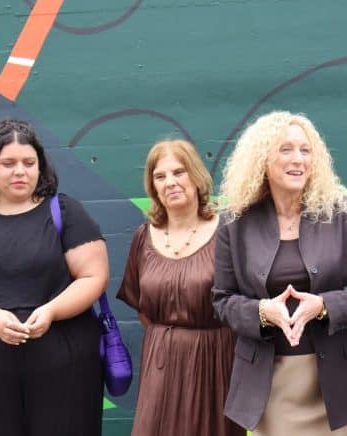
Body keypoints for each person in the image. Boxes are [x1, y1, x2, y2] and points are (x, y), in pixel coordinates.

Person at [212, 111, 347, 435]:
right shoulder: (233, 222)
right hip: (271, 384)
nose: (298, 159)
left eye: (305, 150)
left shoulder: (345, 213)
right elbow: (222, 301)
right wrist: (263, 311)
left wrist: (323, 306)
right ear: (262, 160)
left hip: (342, 387)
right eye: (286, 149)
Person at [0, 119, 109, 436]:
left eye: (29, 163)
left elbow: (93, 276)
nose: (20, 172)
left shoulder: (66, 212)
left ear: (40, 167)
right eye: (8, 163)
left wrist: (52, 310)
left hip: (64, 369)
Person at [116, 139, 244, 436]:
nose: (170, 182)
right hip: (160, 365)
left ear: (196, 176)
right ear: (153, 186)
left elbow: (244, 301)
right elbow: (142, 308)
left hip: (216, 363)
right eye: (160, 176)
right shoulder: (143, 238)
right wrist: (173, 339)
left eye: (178, 172)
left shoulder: (228, 232)